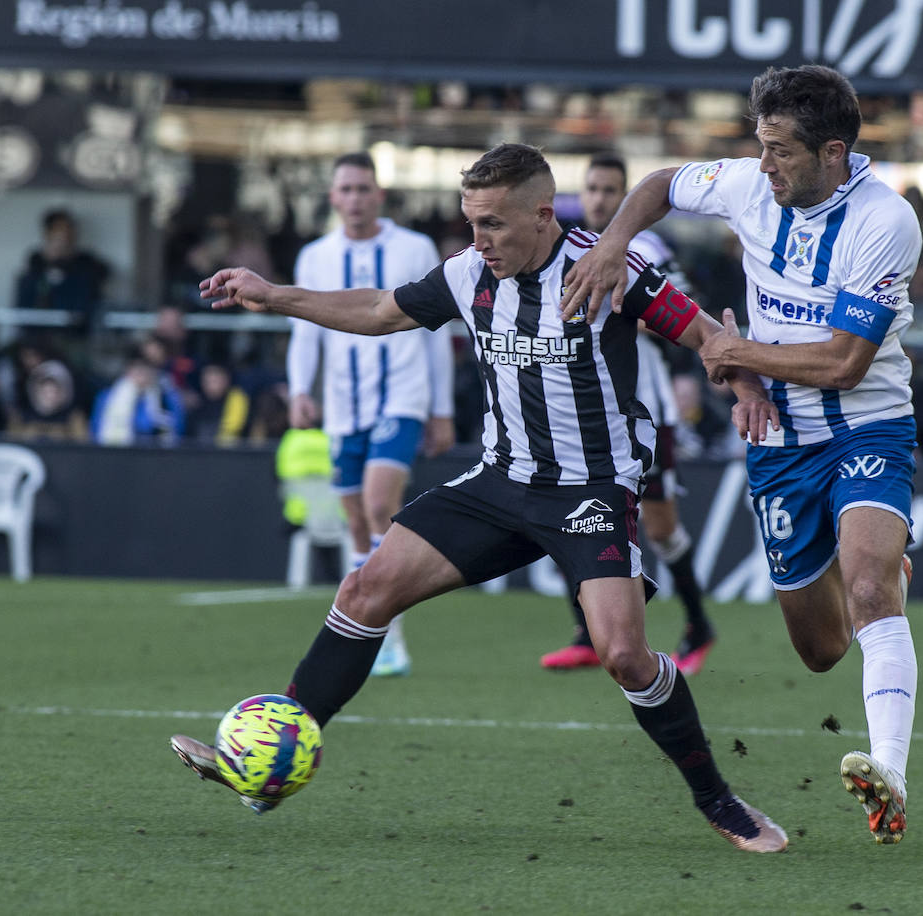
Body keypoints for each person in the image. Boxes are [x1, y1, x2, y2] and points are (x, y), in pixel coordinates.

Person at [172, 143, 787, 853]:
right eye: (472, 222)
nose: (479, 239)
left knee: (623, 654)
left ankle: (719, 800)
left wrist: (745, 385)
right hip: (501, 482)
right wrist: (274, 295)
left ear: (542, 215)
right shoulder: (468, 274)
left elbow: (705, 333)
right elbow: (379, 309)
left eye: (493, 223)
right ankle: (270, 761)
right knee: (365, 590)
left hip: (590, 490)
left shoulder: (607, 267)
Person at [560, 65, 922, 845]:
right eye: (760, 145)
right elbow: (659, 183)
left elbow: (844, 364)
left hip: (867, 424)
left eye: (780, 150)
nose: (764, 165)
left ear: (832, 152)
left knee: (868, 588)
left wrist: (734, 352)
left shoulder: (885, 222)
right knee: (821, 650)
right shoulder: (749, 184)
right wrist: (615, 244)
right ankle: (882, 570)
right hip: (779, 443)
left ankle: (890, 774)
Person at [539, 153, 716, 675]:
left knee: (661, 528)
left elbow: (686, 313)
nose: (599, 199)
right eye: (592, 189)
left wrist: (628, 314)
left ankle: (698, 626)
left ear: (625, 198)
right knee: (570, 513)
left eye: (610, 190)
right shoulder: (559, 251)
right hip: (579, 410)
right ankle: (586, 632)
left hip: (642, 410)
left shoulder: (647, 249)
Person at [287, 152, 455, 679]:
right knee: (356, 522)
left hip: (401, 396)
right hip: (344, 406)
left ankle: (391, 637)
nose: (355, 198)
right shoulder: (315, 256)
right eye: (346, 189)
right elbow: (304, 330)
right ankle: (367, 633)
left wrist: (442, 409)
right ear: (333, 197)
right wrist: (300, 389)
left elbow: (436, 330)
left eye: (364, 188)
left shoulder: (414, 248)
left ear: (379, 195)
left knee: (380, 503)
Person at [13, 209, 109, 328]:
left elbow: (101, 280)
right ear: (48, 234)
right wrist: (50, 261)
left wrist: (68, 261)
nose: (65, 236)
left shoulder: (85, 263)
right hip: (39, 331)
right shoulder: (35, 267)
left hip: (76, 331)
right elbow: (24, 308)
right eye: (59, 231)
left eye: (69, 230)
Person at [90, 346, 185, 446]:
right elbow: (97, 430)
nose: (141, 374)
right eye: (136, 368)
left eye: (146, 369)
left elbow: (177, 428)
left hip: (155, 452)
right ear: (127, 370)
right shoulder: (107, 397)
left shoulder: (166, 396)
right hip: (117, 452)